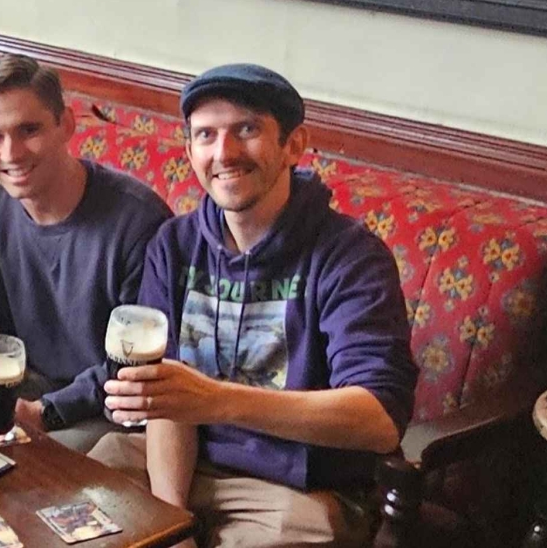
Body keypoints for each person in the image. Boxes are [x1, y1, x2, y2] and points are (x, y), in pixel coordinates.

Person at [92, 64, 417, 548]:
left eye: (246, 129)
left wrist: (216, 400)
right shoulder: (174, 246)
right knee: (69, 506)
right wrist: (172, 527)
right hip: (176, 462)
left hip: (298, 488)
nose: (224, 153)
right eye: (206, 135)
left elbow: (379, 420)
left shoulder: (350, 256)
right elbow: (167, 403)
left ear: (293, 144)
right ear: (190, 151)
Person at [0, 54, 171, 453]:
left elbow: (136, 363)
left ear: (66, 124)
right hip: (24, 389)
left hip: (106, 411)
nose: (11, 153)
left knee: (23, 464)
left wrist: (47, 411)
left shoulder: (139, 222)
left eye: (29, 130)